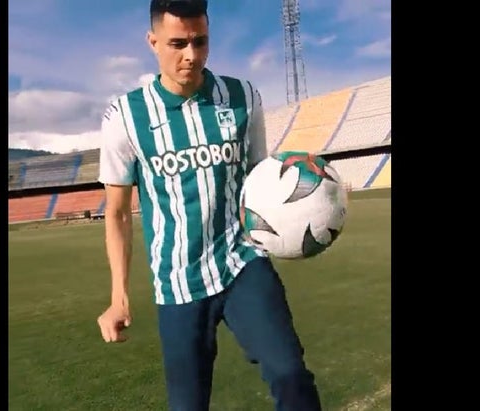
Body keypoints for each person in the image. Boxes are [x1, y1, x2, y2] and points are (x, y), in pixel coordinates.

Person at [96, 1, 322, 410]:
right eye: (177, 43)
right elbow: (117, 212)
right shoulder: (125, 116)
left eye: (200, 42)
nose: (191, 55)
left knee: (291, 375)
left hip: (243, 263)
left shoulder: (242, 97)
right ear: (153, 42)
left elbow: (260, 181)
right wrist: (118, 296)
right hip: (177, 282)